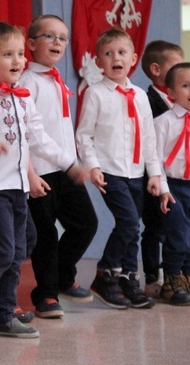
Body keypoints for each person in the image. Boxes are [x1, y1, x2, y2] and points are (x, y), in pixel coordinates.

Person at [0, 21, 85, 342]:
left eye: (19, 54)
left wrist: (69, 164)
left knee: (23, 244)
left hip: (17, 186)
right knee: (2, 249)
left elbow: (40, 138)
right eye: (8, 54)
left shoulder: (23, 98)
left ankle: (2, 312)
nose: (18, 61)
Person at [75, 28, 162, 310]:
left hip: (136, 172)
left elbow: (148, 138)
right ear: (99, 61)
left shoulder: (139, 96)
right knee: (127, 222)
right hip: (110, 170)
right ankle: (105, 273)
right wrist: (93, 166)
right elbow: (84, 134)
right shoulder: (95, 94)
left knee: (133, 228)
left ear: (133, 58)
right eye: (108, 53)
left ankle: (128, 280)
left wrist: (155, 174)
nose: (116, 58)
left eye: (122, 52)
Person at [18, 15, 98, 318]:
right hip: (41, 171)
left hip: (64, 167)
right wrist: (33, 174)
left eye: (62, 38)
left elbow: (60, 128)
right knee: (46, 235)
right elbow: (31, 136)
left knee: (86, 223)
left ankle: (63, 277)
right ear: (31, 44)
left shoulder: (56, 80)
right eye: (49, 36)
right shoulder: (27, 82)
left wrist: (74, 162)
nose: (57, 42)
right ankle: (46, 294)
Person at [140, 40, 184, 297]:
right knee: (155, 227)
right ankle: (150, 276)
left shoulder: (182, 101)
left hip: (179, 178)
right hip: (154, 177)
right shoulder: (147, 101)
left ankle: (175, 277)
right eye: (177, 65)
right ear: (156, 70)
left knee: (178, 229)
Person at [153, 62, 190, 305]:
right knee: (179, 236)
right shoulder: (164, 122)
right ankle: (171, 279)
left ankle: (186, 276)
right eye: (186, 85)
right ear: (172, 93)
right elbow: (155, 158)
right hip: (173, 187)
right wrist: (163, 189)